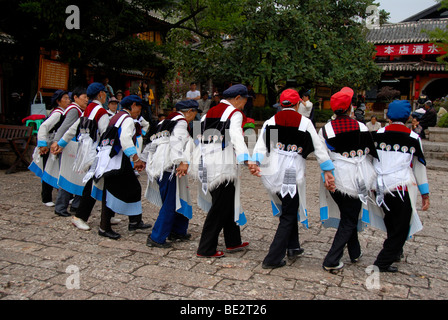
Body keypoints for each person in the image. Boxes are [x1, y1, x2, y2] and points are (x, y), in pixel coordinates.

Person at [249, 89, 335, 269]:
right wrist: (327, 169)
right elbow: (318, 148)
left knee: (289, 207)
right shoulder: (304, 123)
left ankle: (293, 246)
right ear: (297, 104)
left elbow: (263, 145)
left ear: (281, 104)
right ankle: (272, 258)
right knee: (288, 213)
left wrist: (255, 162)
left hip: (273, 170)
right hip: (292, 172)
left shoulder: (271, 121)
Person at [318, 87, 378, 273]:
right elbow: (370, 153)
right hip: (356, 177)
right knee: (350, 218)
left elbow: (322, 155)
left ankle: (355, 252)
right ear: (350, 107)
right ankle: (332, 259)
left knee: (348, 213)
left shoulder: (326, 129)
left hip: (335, 177)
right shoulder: (361, 126)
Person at [371, 100, 430, 272]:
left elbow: (370, 160)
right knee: (403, 225)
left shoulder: (377, 134)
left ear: (388, 116)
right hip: (400, 186)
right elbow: (419, 166)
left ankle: (395, 252)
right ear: (408, 117)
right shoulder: (413, 138)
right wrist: (424, 192)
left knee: (391, 220)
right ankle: (382, 261)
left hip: (380, 185)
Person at [194, 84, 252, 258]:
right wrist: (246, 159)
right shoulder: (234, 114)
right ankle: (205, 248)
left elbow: (196, 135)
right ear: (237, 98)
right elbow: (236, 137)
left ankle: (233, 241)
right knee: (220, 207)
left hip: (207, 163)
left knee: (228, 201)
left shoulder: (207, 114)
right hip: (222, 166)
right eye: (244, 101)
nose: (244, 105)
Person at [94, 95, 151, 239]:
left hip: (111, 158)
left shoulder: (116, 116)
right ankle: (104, 227)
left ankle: (135, 220)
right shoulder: (127, 120)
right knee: (110, 193)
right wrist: (136, 158)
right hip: (116, 160)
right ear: (133, 105)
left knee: (134, 187)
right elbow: (125, 139)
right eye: (139, 107)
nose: (139, 111)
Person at [144, 100, 200, 247]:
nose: (194, 116)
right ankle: (157, 237)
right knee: (171, 202)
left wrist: (144, 160)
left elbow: (150, 144)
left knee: (180, 196)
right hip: (169, 167)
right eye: (194, 113)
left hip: (161, 165)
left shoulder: (166, 121)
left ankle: (178, 230)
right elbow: (176, 142)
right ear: (188, 111)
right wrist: (182, 161)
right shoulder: (181, 122)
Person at [56, 82, 110, 230]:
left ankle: (108, 215)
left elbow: (73, 129)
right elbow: (105, 133)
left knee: (106, 184)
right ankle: (80, 216)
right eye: (104, 93)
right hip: (97, 153)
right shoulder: (100, 112)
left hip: (86, 151)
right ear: (100, 94)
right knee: (92, 185)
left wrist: (60, 143)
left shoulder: (88, 110)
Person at [50, 87, 88, 217]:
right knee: (68, 176)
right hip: (69, 147)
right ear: (76, 97)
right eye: (84, 97)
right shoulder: (74, 110)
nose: (86, 100)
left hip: (74, 146)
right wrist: (56, 142)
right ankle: (60, 207)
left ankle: (76, 205)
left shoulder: (79, 110)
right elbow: (65, 128)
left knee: (78, 176)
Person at [28, 89, 69, 207]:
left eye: (68, 98)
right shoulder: (58, 113)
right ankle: (46, 197)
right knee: (48, 170)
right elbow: (44, 126)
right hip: (50, 144)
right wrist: (42, 144)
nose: (68, 100)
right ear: (58, 101)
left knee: (55, 169)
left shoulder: (63, 112)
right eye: (65, 98)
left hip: (54, 145)